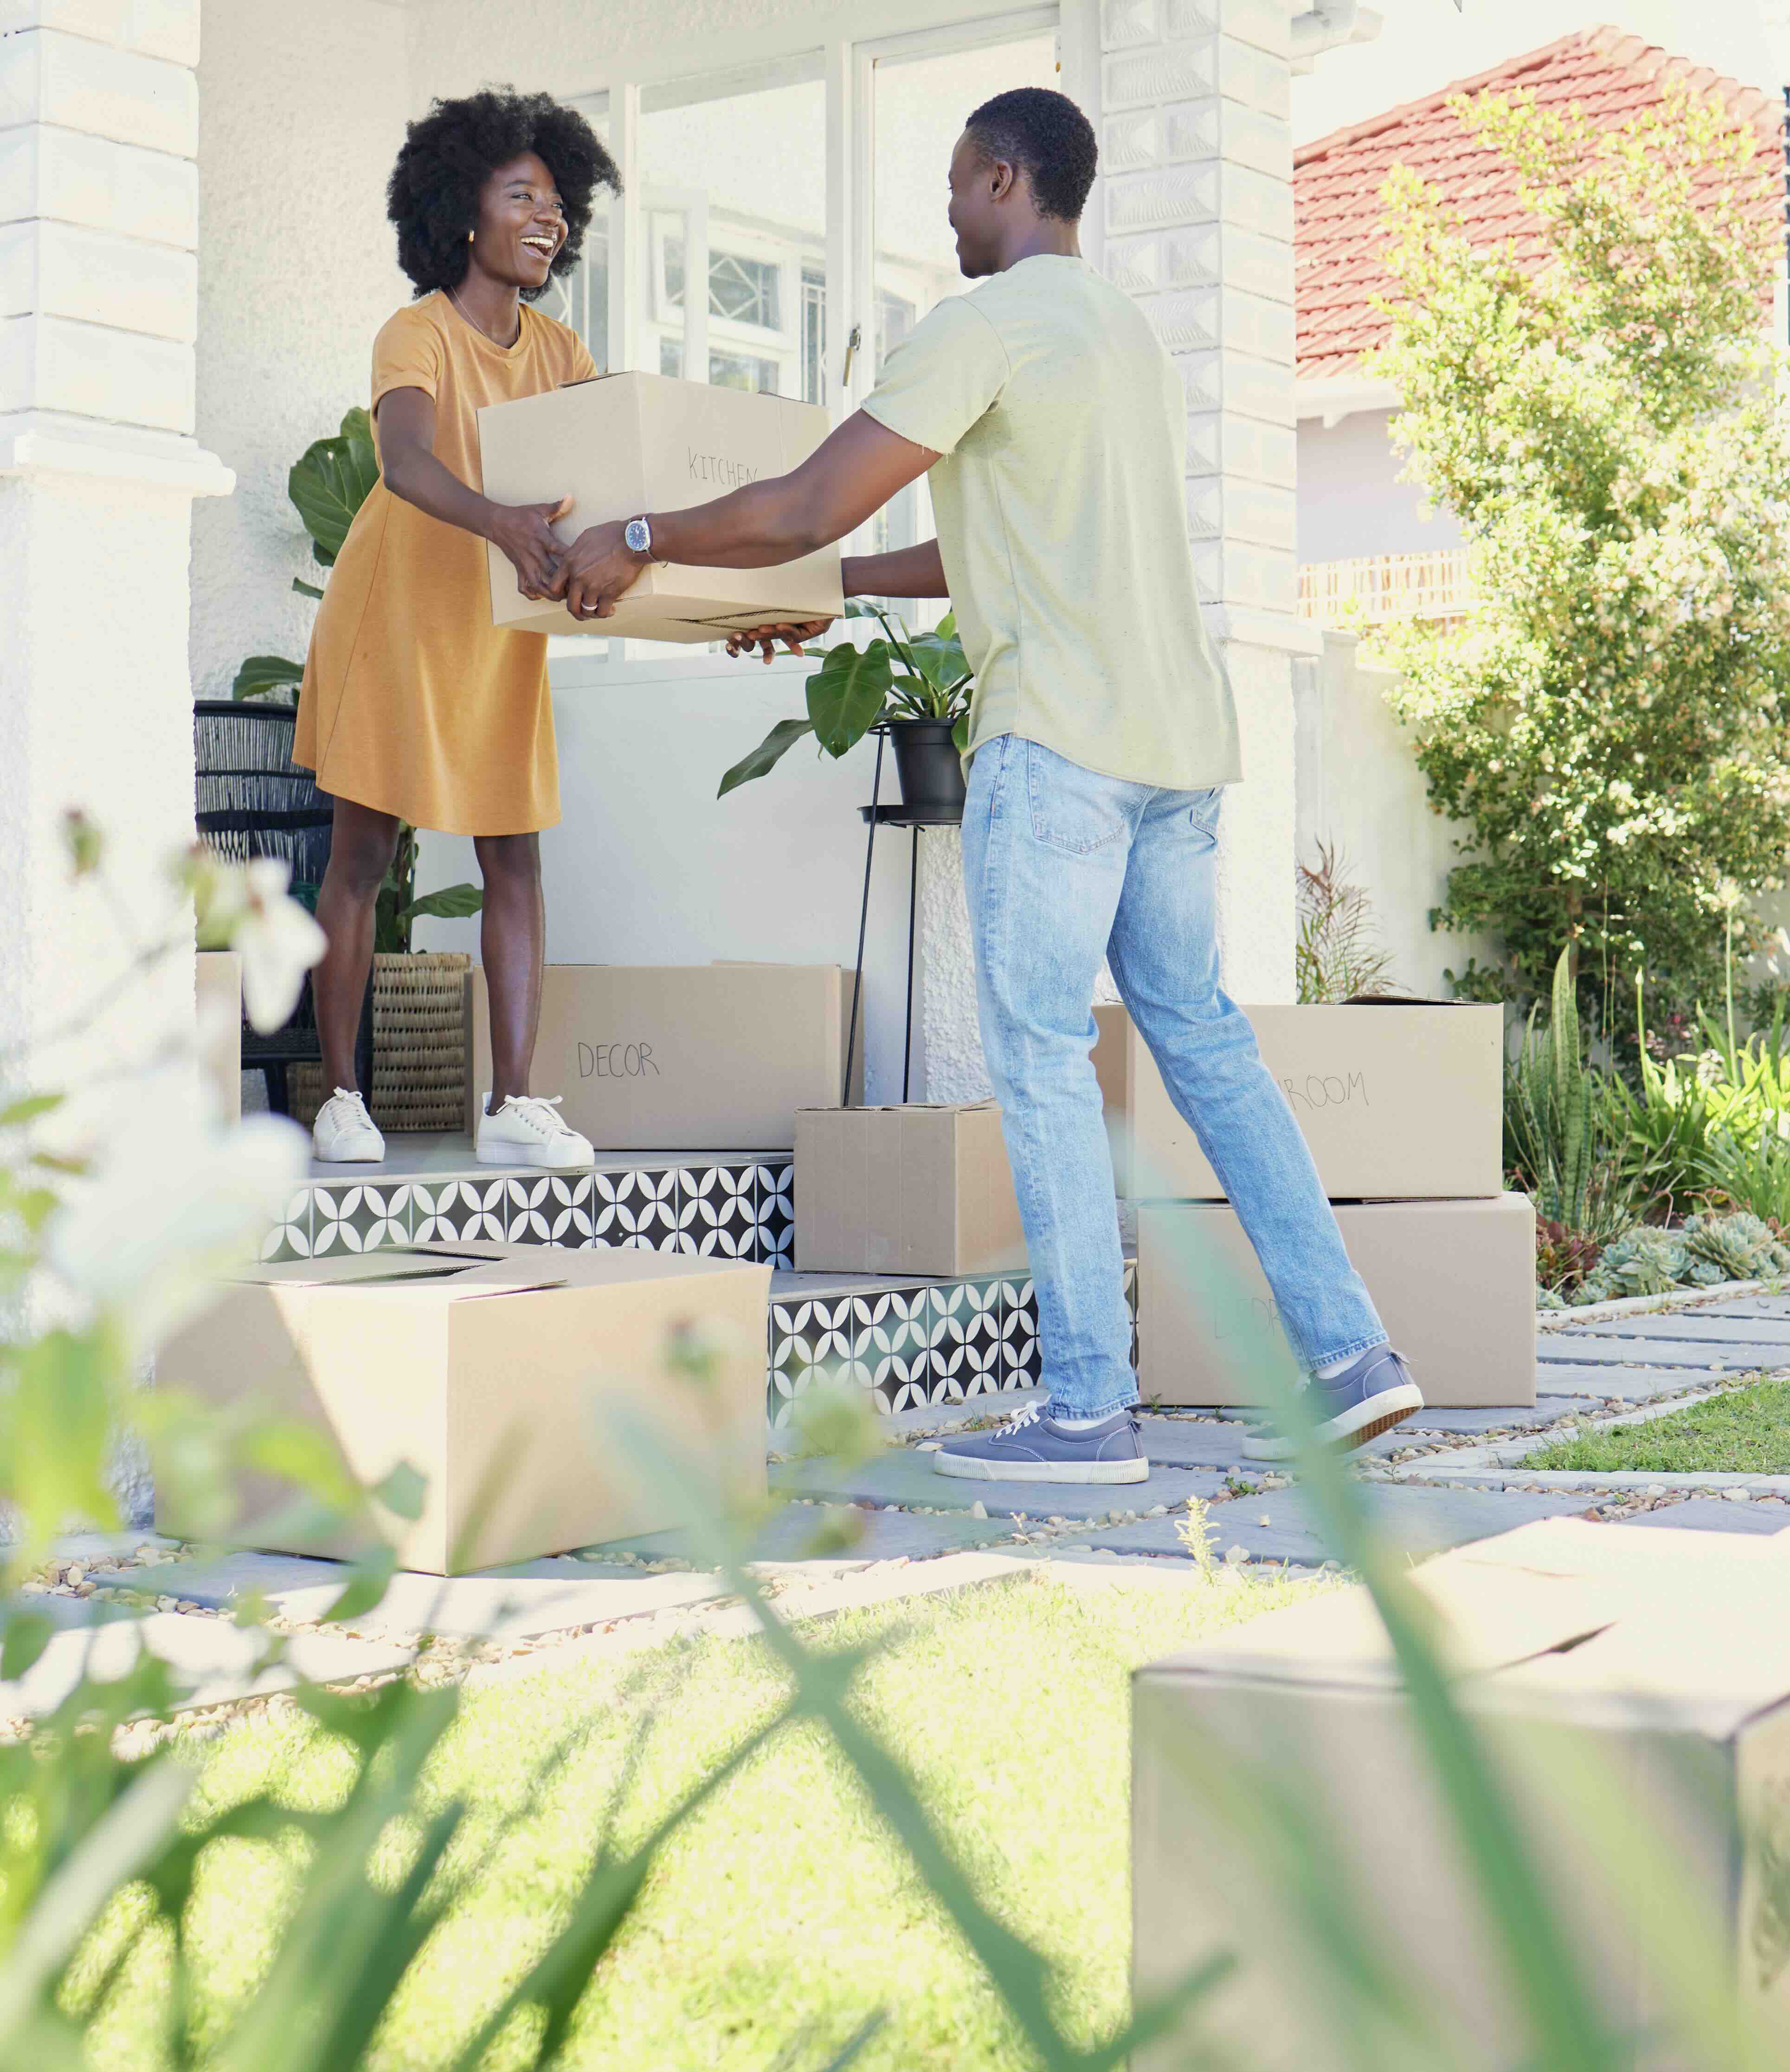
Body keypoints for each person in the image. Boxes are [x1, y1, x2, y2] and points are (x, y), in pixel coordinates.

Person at [550, 87, 1419, 1483]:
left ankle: (1087, 1408)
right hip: (1178, 753)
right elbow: (964, 547)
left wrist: (641, 535)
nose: (947, 212)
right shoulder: (1117, 333)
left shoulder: (984, 322)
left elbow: (806, 498)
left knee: (1034, 1057)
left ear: (1006, 180)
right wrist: (820, 592)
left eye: (957, 186)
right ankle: (1350, 1356)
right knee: (1202, 1044)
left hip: (1062, 743)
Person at [290, 90, 618, 1171]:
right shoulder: (417, 331)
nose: (549, 215)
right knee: (364, 856)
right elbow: (406, 461)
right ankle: (340, 1096)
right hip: (396, 615)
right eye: (522, 193)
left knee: (513, 856)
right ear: (460, 211)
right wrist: (503, 524)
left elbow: (619, 467)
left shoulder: (561, 349)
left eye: (559, 201)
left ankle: (514, 1101)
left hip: (495, 625)